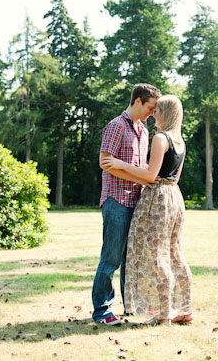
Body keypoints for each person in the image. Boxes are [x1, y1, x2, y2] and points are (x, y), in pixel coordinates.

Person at [100, 95, 192, 326]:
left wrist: (120, 164)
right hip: (175, 197)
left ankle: (163, 315)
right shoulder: (180, 141)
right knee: (175, 253)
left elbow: (151, 176)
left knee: (157, 255)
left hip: (159, 198)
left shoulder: (160, 138)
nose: (153, 116)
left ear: (166, 113)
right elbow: (174, 177)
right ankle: (185, 309)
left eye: (157, 111)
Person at [92, 83, 162, 325]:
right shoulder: (116, 126)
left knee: (132, 259)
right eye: (151, 108)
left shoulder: (143, 131)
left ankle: (131, 306)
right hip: (116, 201)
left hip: (136, 201)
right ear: (138, 101)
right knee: (111, 257)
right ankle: (102, 311)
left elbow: (137, 168)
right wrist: (142, 176)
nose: (152, 114)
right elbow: (105, 162)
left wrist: (149, 178)